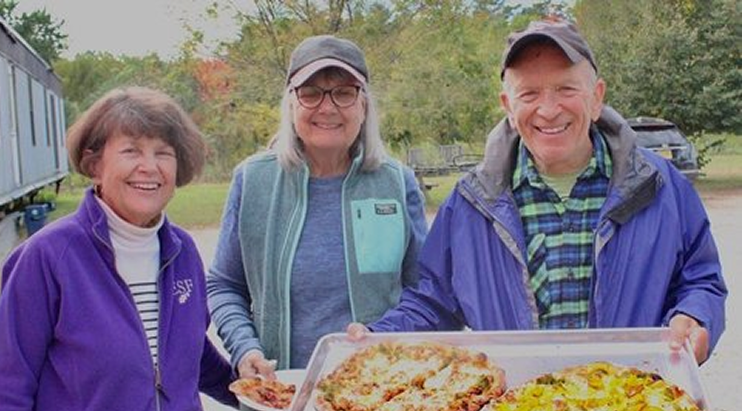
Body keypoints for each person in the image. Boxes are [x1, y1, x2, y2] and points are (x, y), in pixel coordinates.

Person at [348, 19, 727, 364]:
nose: (548, 109)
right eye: (529, 94)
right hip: (518, 402)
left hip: (634, 398)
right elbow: (432, 300)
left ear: (596, 98)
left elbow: (701, 279)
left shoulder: (661, 185)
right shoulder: (470, 202)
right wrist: (377, 337)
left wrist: (695, 315)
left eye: (565, 89)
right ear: (508, 106)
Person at [0, 87, 238, 411]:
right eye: (131, 151)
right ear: (95, 164)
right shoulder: (46, 257)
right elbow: (8, 398)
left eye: (163, 153)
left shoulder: (182, 250)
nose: (149, 167)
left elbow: (187, 353)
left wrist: (247, 388)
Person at [206, 34, 427, 382]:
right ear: (291, 104)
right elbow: (224, 284)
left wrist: (385, 332)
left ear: (364, 105)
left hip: (381, 392)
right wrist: (245, 348)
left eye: (343, 92)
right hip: (280, 396)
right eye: (310, 92)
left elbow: (426, 291)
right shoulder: (252, 181)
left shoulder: (397, 183)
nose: (327, 107)